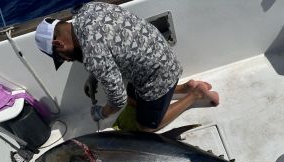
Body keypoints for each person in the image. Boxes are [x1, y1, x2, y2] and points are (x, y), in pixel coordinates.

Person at [35, 2, 219, 132]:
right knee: (134, 100)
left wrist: (102, 113)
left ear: (59, 44)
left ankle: (195, 95)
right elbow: (101, 49)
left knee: (146, 126)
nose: (66, 60)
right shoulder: (87, 10)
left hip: (160, 73)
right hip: (159, 55)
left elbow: (117, 101)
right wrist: (93, 77)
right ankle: (186, 86)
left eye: (60, 57)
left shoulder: (94, 57)